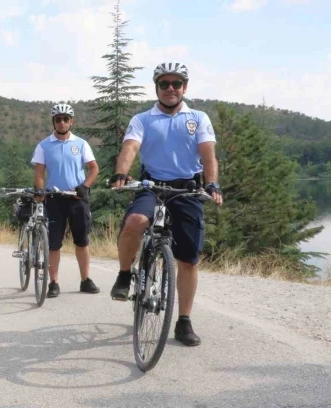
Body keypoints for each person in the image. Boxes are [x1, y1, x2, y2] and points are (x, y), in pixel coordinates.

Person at [109, 62, 224, 346]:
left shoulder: (198, 117)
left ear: (185, 87)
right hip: (153, 186)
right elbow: (130, 148)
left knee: (188, 260)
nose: (170, 88)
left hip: (186, 188)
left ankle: (183, 321)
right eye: (164, 84)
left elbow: (208, 155)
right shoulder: (143, 119)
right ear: (156, 87)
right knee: (135, 222)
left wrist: (212, 183)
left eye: (176, 84)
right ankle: (125, 275)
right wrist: (122, 172)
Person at [31, 103, 100, 298]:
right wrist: (40, 190)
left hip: (77, 198)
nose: (62, 122)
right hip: (54, 199)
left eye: (65, 119)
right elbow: (39, 172)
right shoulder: (44, 145)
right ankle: (53, 282)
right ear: (53, 122)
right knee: (53, 243)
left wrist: (84, 186)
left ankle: (86, 280)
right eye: (58, 119)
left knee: (82, 241)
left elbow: (94, 168)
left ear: (71, 121)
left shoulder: (81, 144)